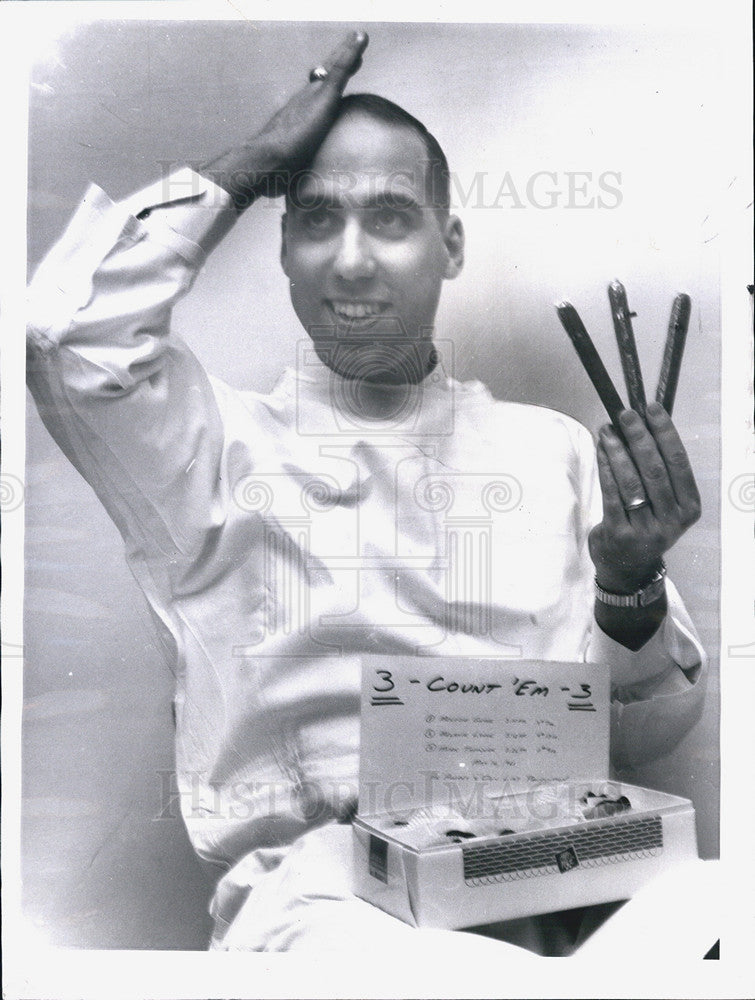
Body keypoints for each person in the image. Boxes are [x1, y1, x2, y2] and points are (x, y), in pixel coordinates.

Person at [26, 31, 712, 956]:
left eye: (389, 217)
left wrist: (627, 585)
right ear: (281, 248)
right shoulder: (215, 455)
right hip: (333, 906)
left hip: (560, 877)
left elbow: (654, 729)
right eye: (315, 219)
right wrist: (255, 162)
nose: (350, 261)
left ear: (450, 244)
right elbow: (71, 335)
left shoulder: (552, 451)